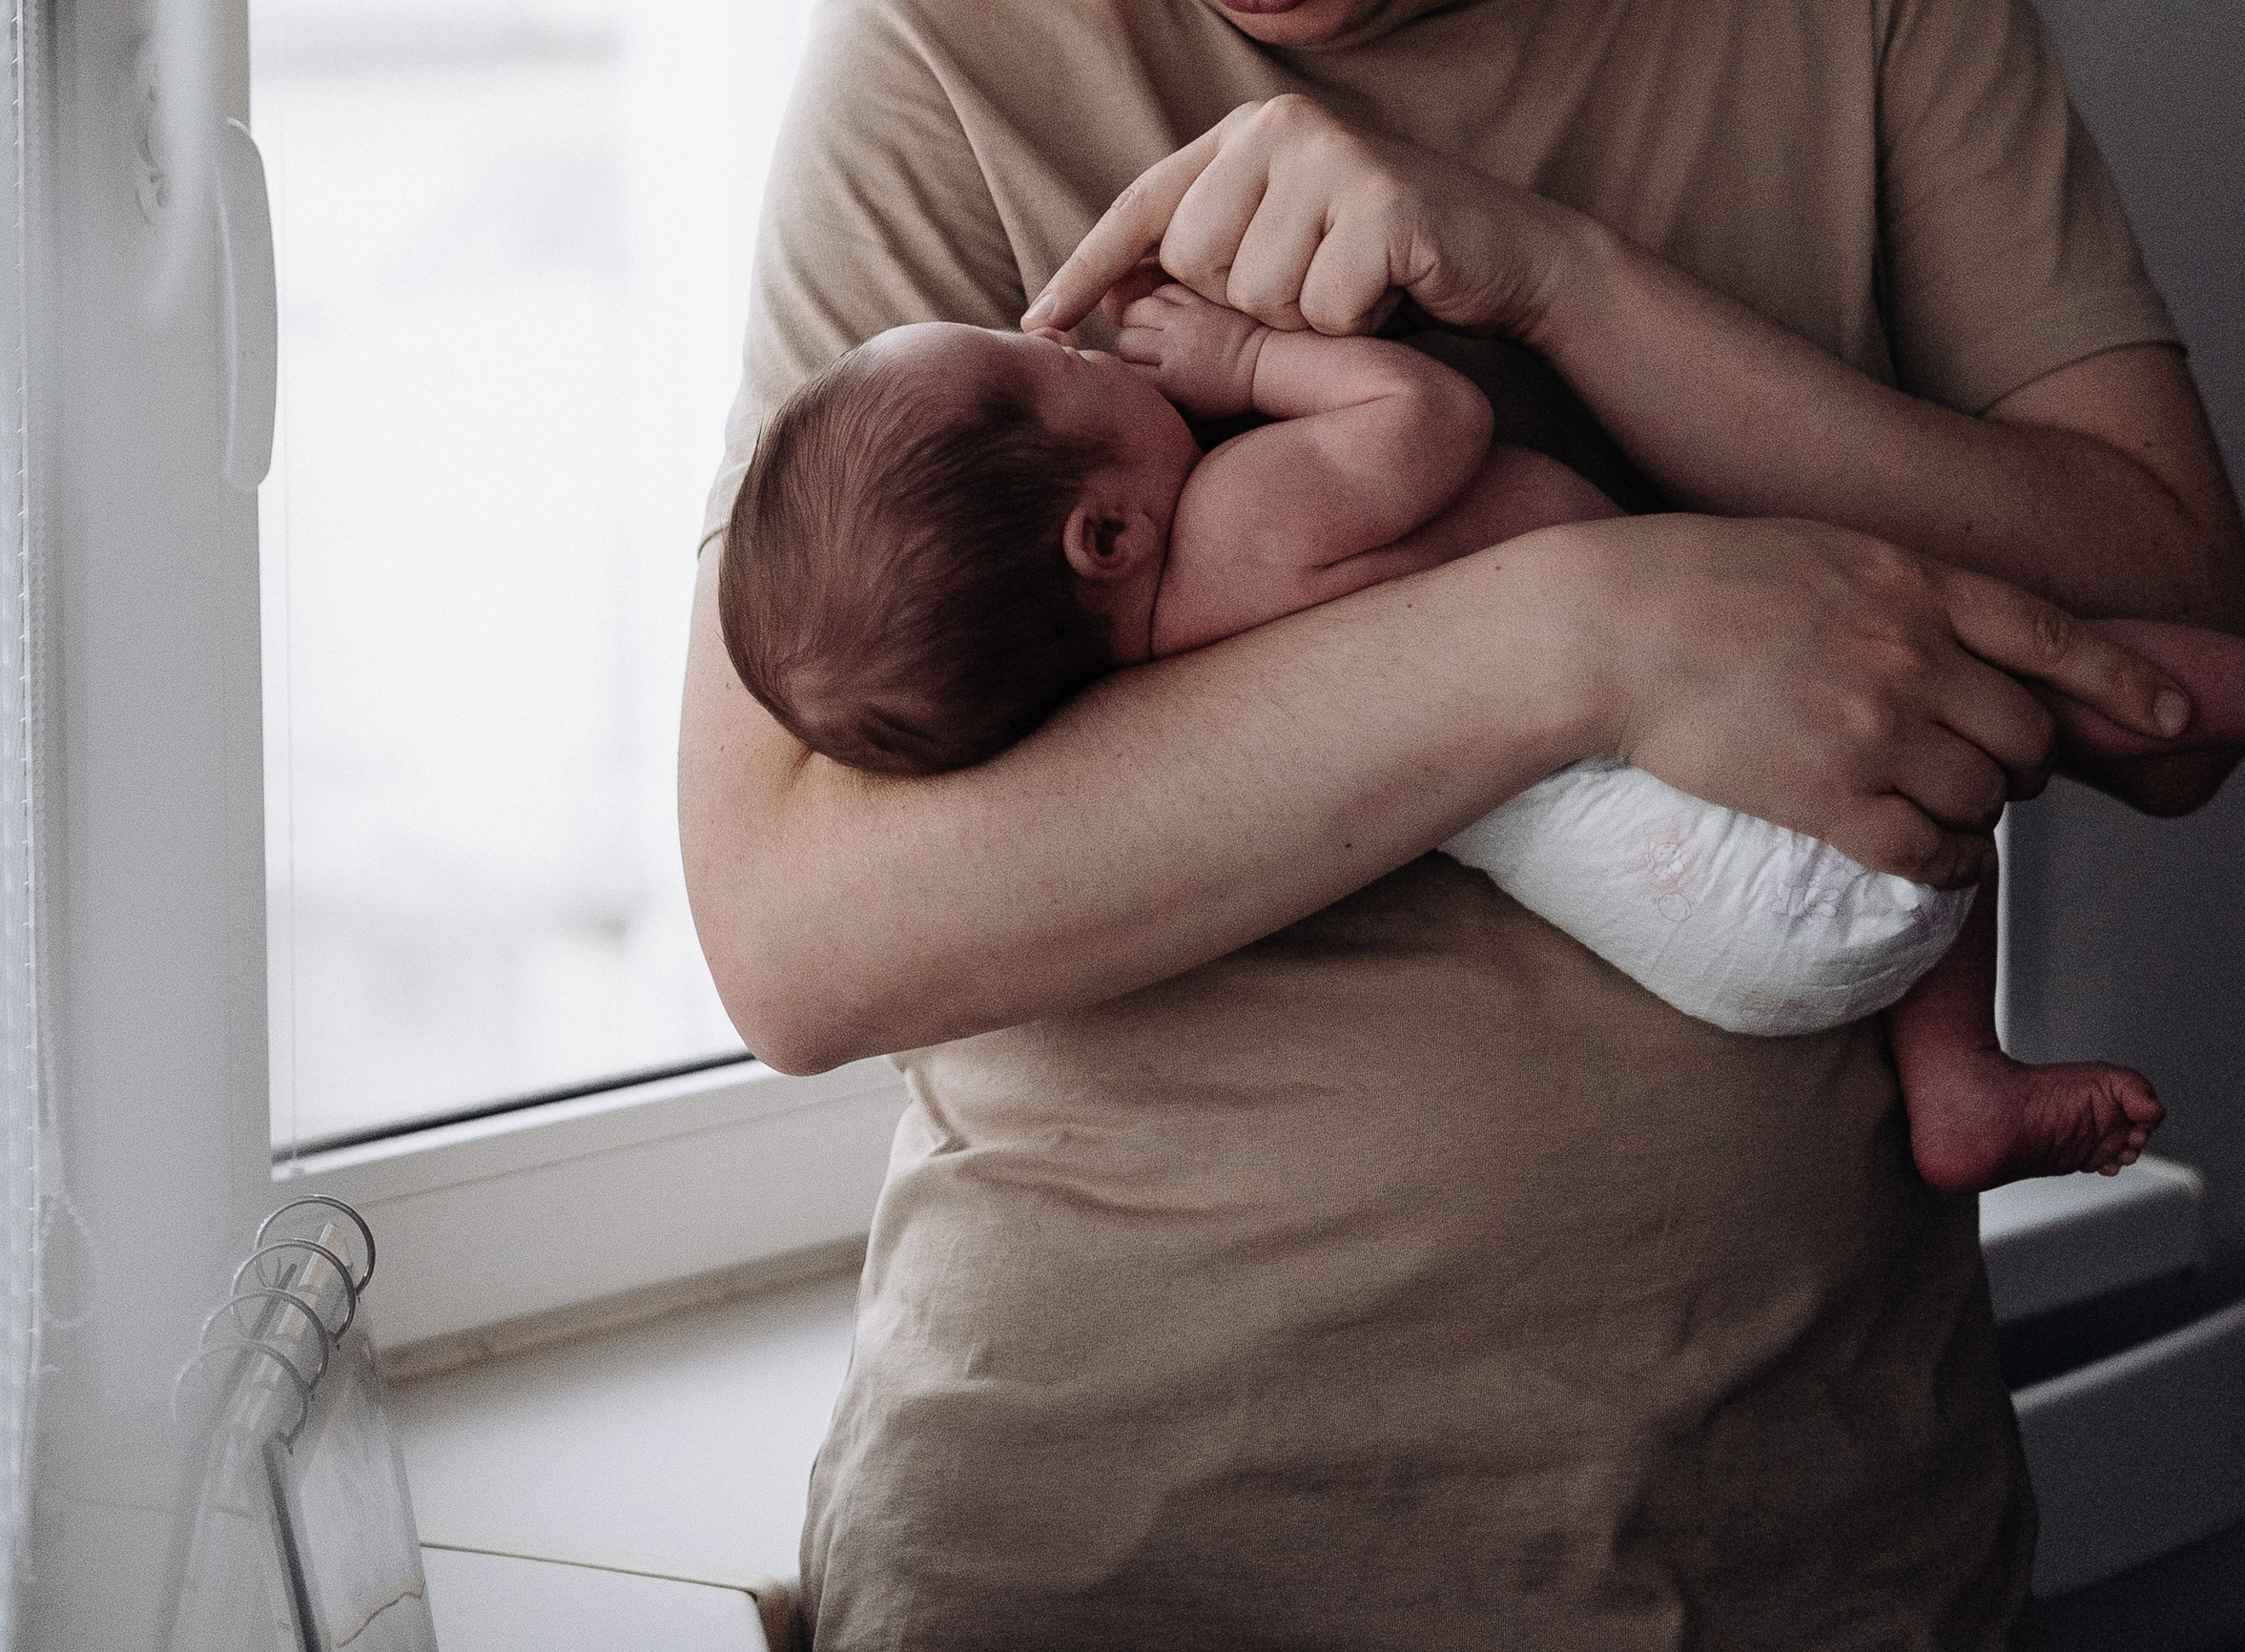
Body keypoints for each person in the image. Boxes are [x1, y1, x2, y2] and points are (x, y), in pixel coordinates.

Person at [680, 0, 2245, 1652]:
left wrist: (1568, 283)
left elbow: (2174, 653)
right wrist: (1578, 637)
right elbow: (798, 937)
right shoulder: (937, 53)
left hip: (1796, 1568)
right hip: (1090, 1572)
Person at [721, 287, 2245, 1187]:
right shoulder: (1239, 519)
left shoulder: (1129, 681)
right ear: (1107, 533)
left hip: (1705, 929)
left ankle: (1958, 1090)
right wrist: (1247, 361)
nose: (1081, 345)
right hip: (1718, 821)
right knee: (2024, 677)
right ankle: (1974, 1039)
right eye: (1048, 370)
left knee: (1941, 798)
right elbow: (1425, 421)